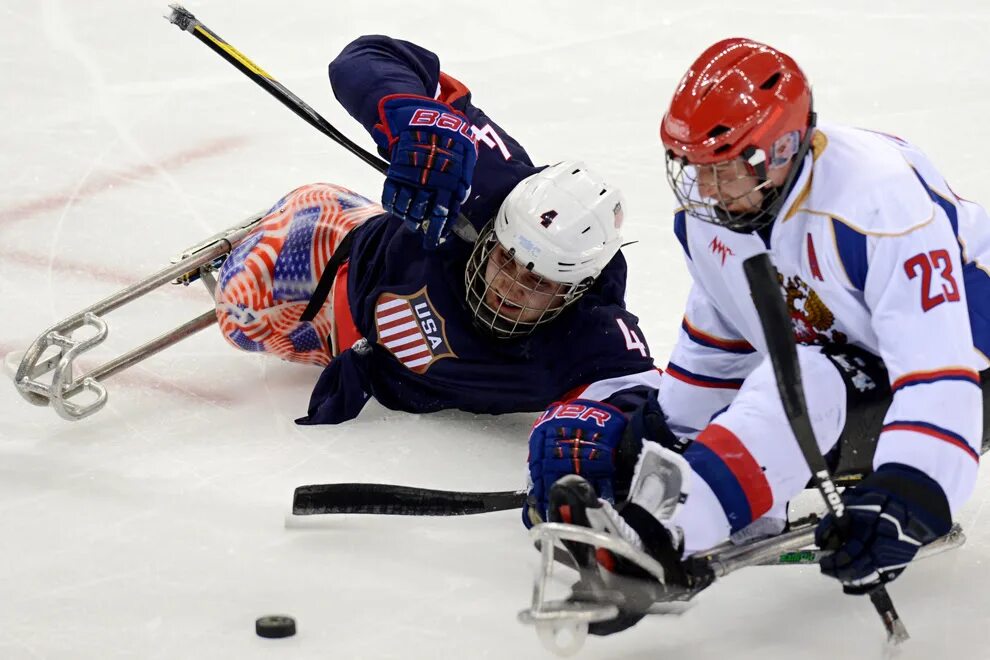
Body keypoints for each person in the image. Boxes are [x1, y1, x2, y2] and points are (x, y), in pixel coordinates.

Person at [525, 37, 989, 634]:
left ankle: (664, 530)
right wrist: (650, 439)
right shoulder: (719, 216)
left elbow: (939, 373)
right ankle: (649, 539)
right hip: (854, 356)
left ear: (782, 149)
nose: (706, 189)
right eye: (694, 167)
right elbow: (717, 349)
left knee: (808, 377)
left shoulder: (879, 204)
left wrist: (910, 495)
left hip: (970, 368)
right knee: (804, 374)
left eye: (721, 169)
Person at [212, 35, 661, 425]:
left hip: (347, 349)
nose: (510, 286)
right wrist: (419, 123)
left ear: (573, 292)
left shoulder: (588, 337)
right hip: (336, 254)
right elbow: (367, 56)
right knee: (238, 311)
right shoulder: (484, 177)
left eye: (538, 282)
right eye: (506, 259)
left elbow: (651, 404)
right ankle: (334, 209)